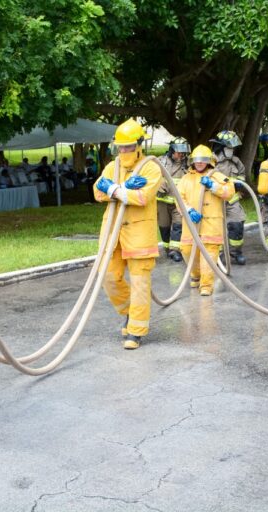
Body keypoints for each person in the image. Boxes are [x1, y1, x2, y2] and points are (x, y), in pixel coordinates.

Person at [93, 119, 162, 350]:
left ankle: (136, 330)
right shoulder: (113, 167)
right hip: (113, 232)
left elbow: (143, 197)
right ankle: (129, 311)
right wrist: (116, 190)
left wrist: (115, 190)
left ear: (139, 144)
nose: (123, 151)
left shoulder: (151, 167)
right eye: (120, 147)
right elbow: (97, 191)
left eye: (128, 146)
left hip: (140, 234)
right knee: (109, 277)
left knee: (140, 282)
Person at [178, 145, 234, 295]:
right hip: (191, 223)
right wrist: (189, 210)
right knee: (187, 250)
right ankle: (195, 275)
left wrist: (214, 186)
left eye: (203, 160)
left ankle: (206, 285)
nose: (200, 163)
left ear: (209, 161)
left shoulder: (217, 176)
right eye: (197, 160)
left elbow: (229, 192)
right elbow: (179, 198)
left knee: (208, 254)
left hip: (211, 223)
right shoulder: (186, 179)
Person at [210, 129, 247, 265]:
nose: (231, 150)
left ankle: (235, 252)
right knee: (215, 228)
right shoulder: (211, 161)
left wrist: (239, 184)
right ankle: (218, 255)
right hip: (215, 201)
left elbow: (242, 174)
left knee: (237, 224)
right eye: (229, 147)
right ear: (221, 147)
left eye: (232, 148)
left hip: (232, 200)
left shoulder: (236, 161)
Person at [157, 137, 190, 262]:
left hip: (179, 202)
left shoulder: (188, 164)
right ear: (172, 150)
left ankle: (175, 250)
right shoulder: (161, 161)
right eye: (179, 152)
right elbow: (150, 175)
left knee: (178, 225)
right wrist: (159, 183)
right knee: (164, 226)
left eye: (184, 152)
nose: (181, 155)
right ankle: (167, 249)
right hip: (163, 201)